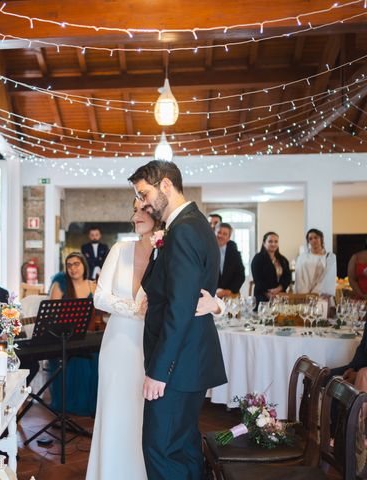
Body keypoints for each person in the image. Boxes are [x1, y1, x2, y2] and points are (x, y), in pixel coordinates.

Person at [86, 200, 225, 479]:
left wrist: (218, 305)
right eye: (134, 211)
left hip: (157, 345)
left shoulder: (169, 250)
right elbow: (99, 296)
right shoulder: (120, 250)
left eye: (142, 210)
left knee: (150, 419)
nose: (135, 216)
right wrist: (132, 309)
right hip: (121, 341)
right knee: (118, 411)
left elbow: (190, 294)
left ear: (157, 218)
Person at [129, 160, 227, 480]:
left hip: (177, 365)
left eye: (144, 193)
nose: (142, 202)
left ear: (166, 186)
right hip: (189, 362)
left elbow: (180, 308)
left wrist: (160, 371)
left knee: (159, 449)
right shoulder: (192, 223)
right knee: (181, 446)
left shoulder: (184, 229)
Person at [48, 252, 98, 416]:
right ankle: (73, 404)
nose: (73, 268)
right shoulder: (60, 285)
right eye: (69, 265)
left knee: (98, 355)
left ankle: (93, 404)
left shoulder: (94, 286)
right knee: (78, 360)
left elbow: (101, 311)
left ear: (84, 265)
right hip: (64, 338)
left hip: (87, 336)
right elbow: (50, 315)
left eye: (76, 264)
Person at [294, 228, 337, 298]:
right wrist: (305, 294)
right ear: (308, 241)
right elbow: (299, 277)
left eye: (316, 237)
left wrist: (316, 293)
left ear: (321, 238)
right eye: (310, 239)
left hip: (321, 296)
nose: (313, 240)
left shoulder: (330, 257)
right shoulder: (302, 257)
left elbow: (329, 278)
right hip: (304, 296)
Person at [251, 231, 291, 304]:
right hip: (262, 297)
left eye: (276, 241)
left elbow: (288, 277)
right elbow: (257, 279)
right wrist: (268, 293)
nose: (273, 244)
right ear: (264, 243)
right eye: (270, 241)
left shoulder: (283, 260)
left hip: (280, 296)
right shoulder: (257, 259)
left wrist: (278, 289)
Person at [216, 223, 246, 298]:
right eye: (219, 232)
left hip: (230, 294)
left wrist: (229, 290)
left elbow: (240, 275)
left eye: (224, 234)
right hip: (211, 294)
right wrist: (215, 290)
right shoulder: (206, 250)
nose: (220, 236)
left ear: (229, 238)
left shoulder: (234, 252)